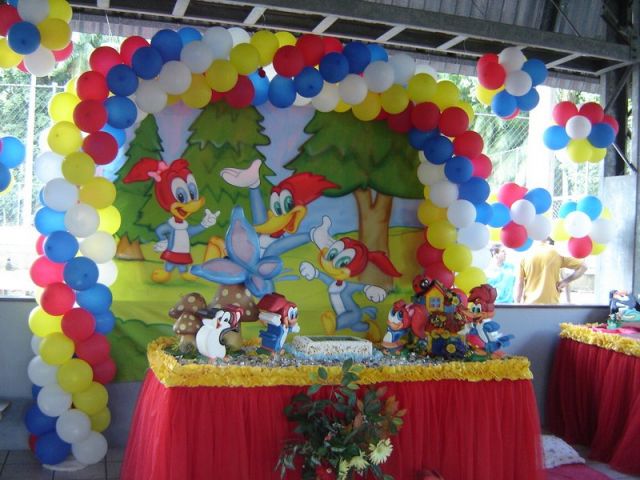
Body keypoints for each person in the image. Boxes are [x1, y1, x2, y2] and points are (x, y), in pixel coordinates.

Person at [515, 237, 587, 305]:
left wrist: (517, 303)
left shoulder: (524, 254)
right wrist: (566, 281)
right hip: (552, 305)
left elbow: (519, 283)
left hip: (530, 305)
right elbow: (584, 267)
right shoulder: (556, 252)